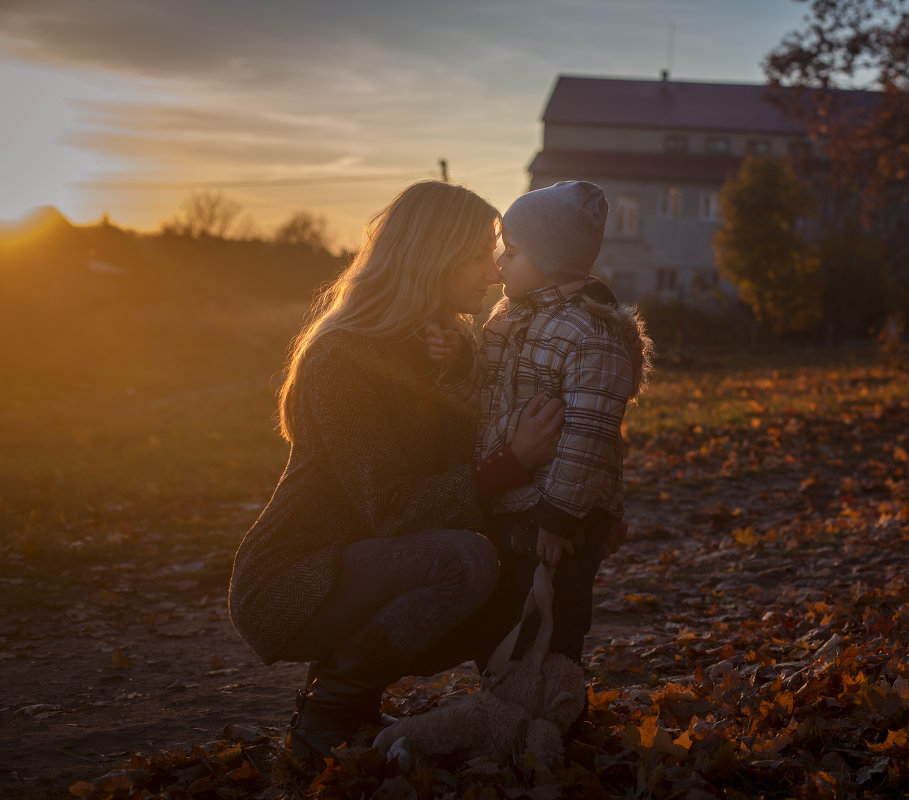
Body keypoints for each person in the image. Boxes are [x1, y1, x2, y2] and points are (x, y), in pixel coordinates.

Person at [227, 180, 565, 763]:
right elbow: (390, 506)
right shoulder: (343, 358)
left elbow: (454, 457)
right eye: (481, 254)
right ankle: (323, 716)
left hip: (367, 559)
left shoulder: (439, 347)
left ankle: (355, 708)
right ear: (433, 255)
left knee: (509, 571)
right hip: (293, 578)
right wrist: (511, 464)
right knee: (466, 560)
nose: (494, 271)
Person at [431, 180, 652, 667]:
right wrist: (452, 372)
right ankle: (503, 713)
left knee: (555, 620)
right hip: (512, 504)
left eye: (511, 252)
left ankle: (554, 719)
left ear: (548, 259)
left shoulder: (591, 333)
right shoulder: (505, 319)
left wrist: (558, 518)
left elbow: (588, 438)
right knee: (504, 617)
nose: (498, 264)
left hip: (564, 517)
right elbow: (483, 400)